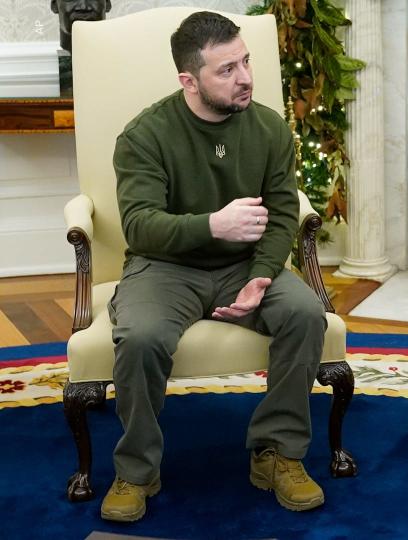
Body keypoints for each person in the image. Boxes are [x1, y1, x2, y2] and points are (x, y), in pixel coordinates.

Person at [100, 11, 328, 522]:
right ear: (189, 80)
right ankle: (136, 469)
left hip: (245, 266)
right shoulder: (144, 135)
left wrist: (262, 276)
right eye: (226, 70)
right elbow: (139, 226)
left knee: (306, 314)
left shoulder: (269, 127)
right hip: (164, 268)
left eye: (245, 62)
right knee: (139, 337)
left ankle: (278, 453)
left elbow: (283, 214)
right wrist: (212, 226)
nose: (245, 77)